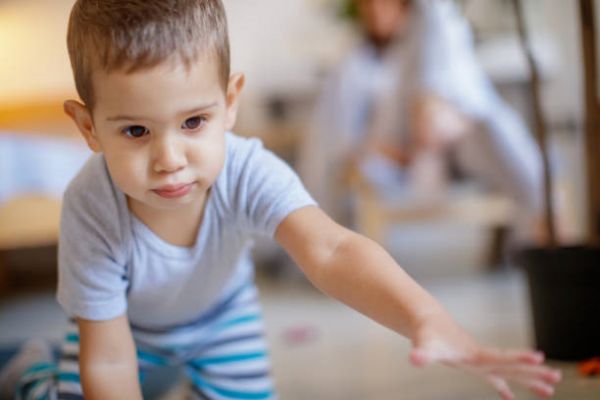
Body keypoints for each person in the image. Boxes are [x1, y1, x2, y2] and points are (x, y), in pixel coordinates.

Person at [0, 1, 560, 399]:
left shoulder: (246, 168)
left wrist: (426, 317)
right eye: (136, 132)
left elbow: (332, 250)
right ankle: (29, 370)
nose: (170, 158)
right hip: (123, 332)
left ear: (230, 102)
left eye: (194, 121)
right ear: (88, 127)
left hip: (223, 320)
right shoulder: (90, 206)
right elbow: (111, 356)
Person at [300, 0, 544, 242]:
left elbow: (436, 111)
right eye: (368, 6)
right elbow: (346, 139)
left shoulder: (423, 42)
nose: (375, 13)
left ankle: (540, 215)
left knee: (490, 126)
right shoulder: (354, 66)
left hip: (437, 146)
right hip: (388, 153)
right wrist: (393, 149)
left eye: (383, 5)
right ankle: (541, 210)